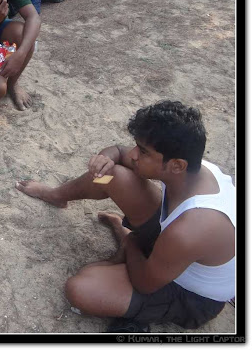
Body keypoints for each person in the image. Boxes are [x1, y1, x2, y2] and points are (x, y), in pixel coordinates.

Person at [15, 100, 235, 332]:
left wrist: (131, 242)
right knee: (110, 175)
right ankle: (56, 196)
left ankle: (127, 241)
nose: (133, 154)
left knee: (81, 289)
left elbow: (145, 283)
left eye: (143, 151)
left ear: (177, 165)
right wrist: (103, 159)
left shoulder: (192, 227)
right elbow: (119, 153)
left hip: (190, 294)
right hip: (170, 245)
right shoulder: (190, 167)